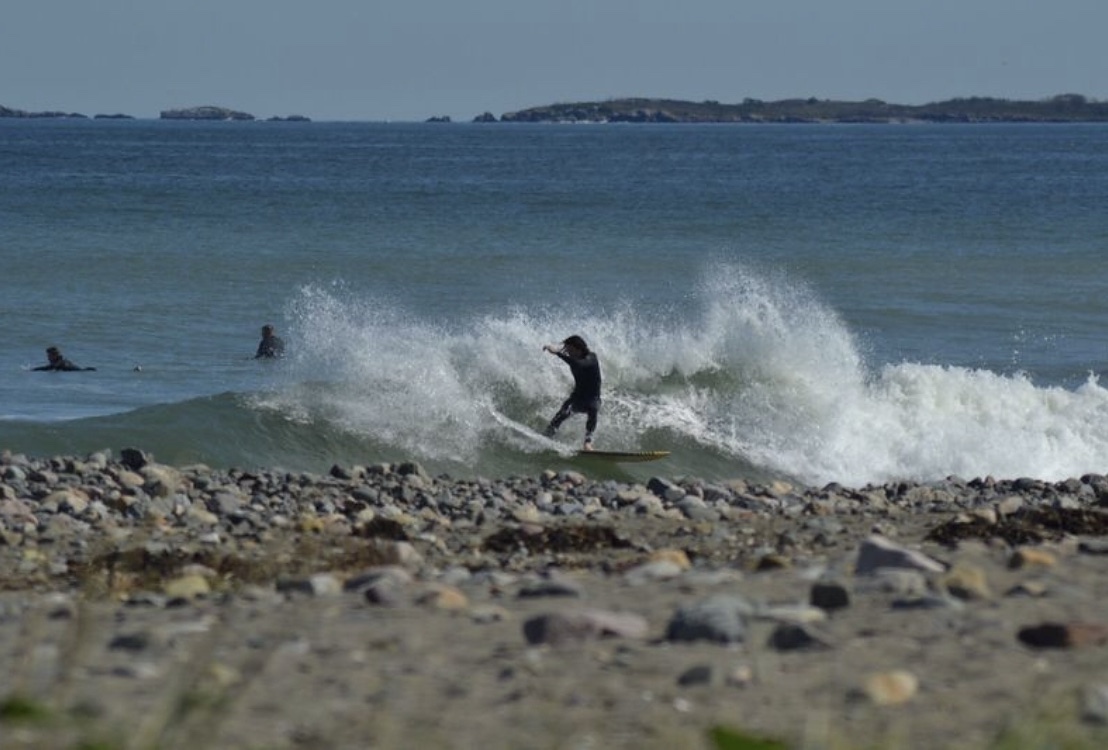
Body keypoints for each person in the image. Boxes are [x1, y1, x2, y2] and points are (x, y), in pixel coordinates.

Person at [543, 335, 601, 450]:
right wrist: (555, 349)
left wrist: (557, 353)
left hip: (592, 398)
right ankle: (546, 437)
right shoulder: (574, 359)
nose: (568, 353)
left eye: (570, 350)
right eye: (567, 350)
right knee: (561, 415)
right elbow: (573, 362)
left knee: (593, 408)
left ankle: (587, 443)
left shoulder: (591, 358)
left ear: (579, 349)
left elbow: (579, 364)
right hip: (577, 397)